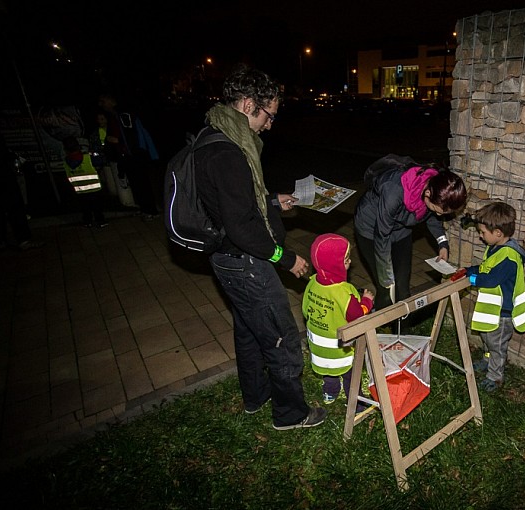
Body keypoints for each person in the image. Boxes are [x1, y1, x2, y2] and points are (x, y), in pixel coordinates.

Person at [195, 63, 326, 430]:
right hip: (245, 262)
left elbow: (231, 203)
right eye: (269, 115)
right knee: (280, 336)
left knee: (250, 330)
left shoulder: (216, 134)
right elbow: (241, 226)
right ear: (250, 104)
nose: (270, 124)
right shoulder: (229, 152)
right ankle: (291, 414)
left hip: (227, 259)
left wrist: (271, 201)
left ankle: (256, 396)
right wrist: (287, 258)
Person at [354, 156, 467, 311]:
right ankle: (377, 326)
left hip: (401, 229)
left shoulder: (435, 184)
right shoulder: (393, 190)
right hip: (372, 229)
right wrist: (386, 276)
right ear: (427, 194)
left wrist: (442, 243)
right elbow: (382, 236)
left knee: (402, 287)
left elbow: (431, 215)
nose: (439, 215)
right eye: (438, 210)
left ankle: (401, 330)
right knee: (386, 289)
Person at [302, 233, 375, 416]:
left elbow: (305, 311)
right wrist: (367, 302)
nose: (350, 262)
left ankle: (329, 393)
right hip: (341, 349)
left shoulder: (311, 284)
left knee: (329, 371)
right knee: (350, 374)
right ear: (336, 264)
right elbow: (357, 316)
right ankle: (356, 402)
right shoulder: (344, 292)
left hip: (318, 347)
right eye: (346, 259)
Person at [465, 202, 525, 392]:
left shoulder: (509, 256)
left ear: (498, 233)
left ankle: (495, 377)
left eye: (483, 232)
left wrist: (471, 278)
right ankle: (487, 361)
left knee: (496, 346)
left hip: (503, 313)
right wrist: (470, 270)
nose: (480, 235)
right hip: (492, 311)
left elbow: (489, 280)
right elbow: (486, 269)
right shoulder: (495, 248)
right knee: (487, 338)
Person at [97, 92, 159, 219]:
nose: (101, 105)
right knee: (135, 184)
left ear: (110, 100)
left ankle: (152, 211)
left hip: (136, 154)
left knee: (143, 183)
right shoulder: (113, 116)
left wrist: (118, 141)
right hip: (126, 156)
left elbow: (132, 135)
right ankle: (144, 209)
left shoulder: (124, 114)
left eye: (103, 101)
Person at [0, 133, 43, 251]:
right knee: (14, 206)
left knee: (15, 207)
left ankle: (16, 240)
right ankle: (21, 240)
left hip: (5, 174)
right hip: (4, 176)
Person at [62, 137, 107, 228]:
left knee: (85, 208)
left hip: (79, 190)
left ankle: (88, 222)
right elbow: (100, 162)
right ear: (78, 147)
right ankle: (100, 221)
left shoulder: (66, 162)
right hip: (94, 189)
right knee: (97, 207)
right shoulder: (88, 158)